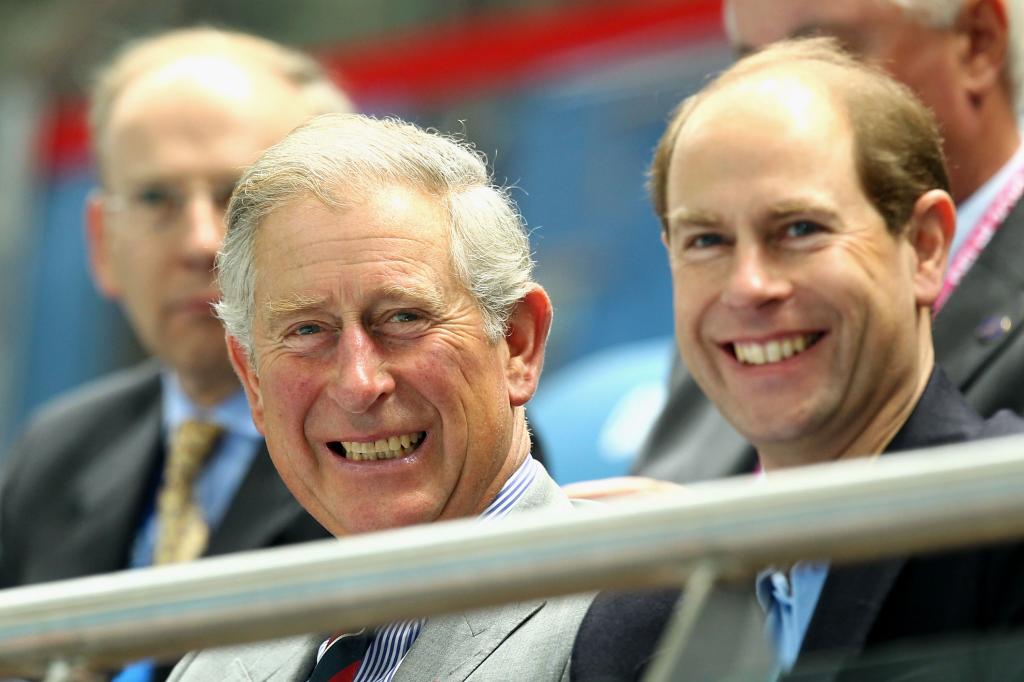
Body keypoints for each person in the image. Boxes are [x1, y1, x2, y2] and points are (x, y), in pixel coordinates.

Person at [571, 39, 1024, 681]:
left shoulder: (1004, 523)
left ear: (924, 248)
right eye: (707, 241)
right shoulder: (639, 622)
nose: (749, 285)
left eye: (799, 229)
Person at [168, 113, 591, 682]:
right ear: (253, 381)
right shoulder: (213, 667)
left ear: (517, 344)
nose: (359, 383)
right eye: (308, 330)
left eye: (403, 318)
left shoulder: (632, 619)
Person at [0, 26, 351, 678]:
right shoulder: (56, 452)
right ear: (104, 244)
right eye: (158, 198)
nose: (199, 241)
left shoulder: (415, 443)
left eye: (237, 197)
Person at [633, 0, 1024, 485]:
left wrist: (724, 545)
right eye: (750, 64)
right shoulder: (732, 318)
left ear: (977, 41)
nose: (749, 286)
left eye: (829, 52)